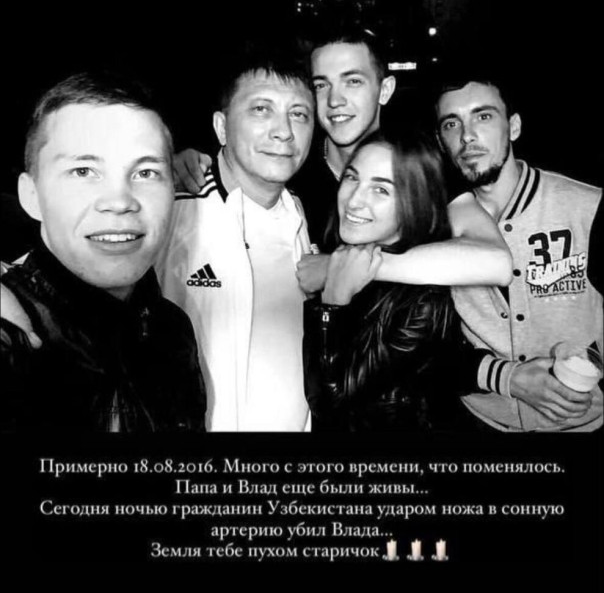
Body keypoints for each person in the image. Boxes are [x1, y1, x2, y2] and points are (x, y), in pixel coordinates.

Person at [174, 23, 512, 290]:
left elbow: (495, 260)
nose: (335, 100)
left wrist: (347, 267)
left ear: (385, 90)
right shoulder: (289, 162)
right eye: (322, 85)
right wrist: (174, 166)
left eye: (353, 81)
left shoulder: (419, 163)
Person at [1, 72, 207, 432]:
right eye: (83, 171)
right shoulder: (14, 335)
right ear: (31, 195)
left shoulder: (173, 332)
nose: (120, 201)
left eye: (145, 172)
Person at [155, 50, 316, 431]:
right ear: (222, 127)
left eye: (298, 114)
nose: (284, 131)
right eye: (261, 109)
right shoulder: (172, 210)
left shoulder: (298, 213)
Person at [435, 73, 603, 432]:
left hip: (585, 423)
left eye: (483, 116)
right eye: (451, 124)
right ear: (440, 141)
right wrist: (505, 377)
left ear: (513, 126)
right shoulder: (433, 227)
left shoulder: (587, 207)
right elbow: (426, 344)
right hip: (481, 422)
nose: (466, 136)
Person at [303, 128, 484, 431]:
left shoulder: (423, 300)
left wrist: (333, 302)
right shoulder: (346, 249)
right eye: (352, 178)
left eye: (381, 190)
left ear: (415, 203)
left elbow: (330, 404)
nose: (354, 200)